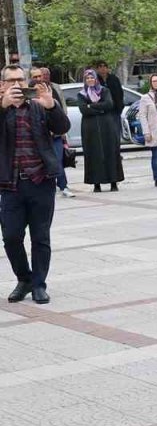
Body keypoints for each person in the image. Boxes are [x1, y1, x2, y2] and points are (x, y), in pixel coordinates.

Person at [1, 65, 69, 305]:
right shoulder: (2, 108)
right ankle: (25, 278)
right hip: (10, 185)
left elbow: (62, 129)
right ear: (3, 85)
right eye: (11, 81)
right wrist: (3, 106)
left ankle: (39, 284)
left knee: (40, 237)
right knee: (11, 237)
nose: (17, 84)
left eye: (21, 79)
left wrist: (52, 105)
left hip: (41, 181)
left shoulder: (39, 105)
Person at [78, 69, 122, 192]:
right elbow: (83, 110)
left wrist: (91, 106)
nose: (90, 80)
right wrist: (99, 108)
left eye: (92, 78)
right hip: (90, 129)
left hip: (107, 127)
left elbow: (109, 104)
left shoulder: (104, 90)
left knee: (110, 152)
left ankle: (114, 182)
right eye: (87, 78)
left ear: (96, 79)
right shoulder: (82, 94)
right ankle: (96, 183)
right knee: (93, 154)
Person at [33, 69, 73, 198]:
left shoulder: (53, 89)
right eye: (36, 76)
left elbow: (61, 111)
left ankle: (63, 186)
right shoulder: (28, 100)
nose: (40, 78)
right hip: (39, 139)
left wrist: (52, 107)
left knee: (57, 161)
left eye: (42, 75)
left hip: (55, 135)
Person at [138, 74, 157, 187]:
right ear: (150, 83)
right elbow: (142, 116)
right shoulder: (145, 98)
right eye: (154, 81)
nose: (156, 83)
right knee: (156, 156)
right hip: (153, 130)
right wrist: (146, 131)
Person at [93, 60, 125, 143]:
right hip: (102, 113)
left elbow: (120, 94)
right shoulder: (95, 81)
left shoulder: (114, 79)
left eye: (104, 66)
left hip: (114, 112)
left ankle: (116, 154)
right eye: (100, 67)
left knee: (115, 135)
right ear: (97, 69)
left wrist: (120, 107)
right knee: (104, 136)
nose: (103, 69)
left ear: (107, 68)